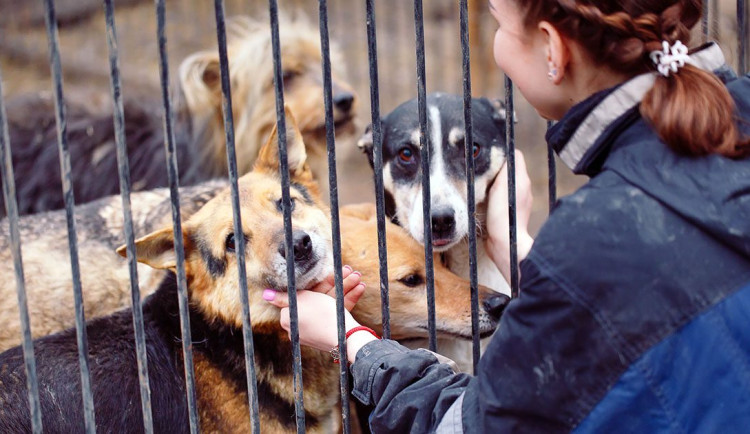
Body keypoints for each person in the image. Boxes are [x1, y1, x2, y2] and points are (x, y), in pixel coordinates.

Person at [264, 0, 750, 431]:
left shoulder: (594, 234)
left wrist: (350, 342)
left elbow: (470, 425)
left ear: (552, 50)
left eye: (497, 21)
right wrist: (510, 240)